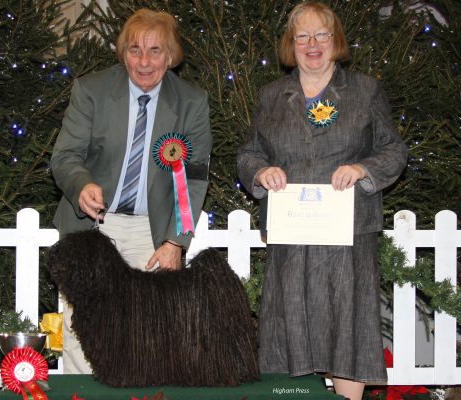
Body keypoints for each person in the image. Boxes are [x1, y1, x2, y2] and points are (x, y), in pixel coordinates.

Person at [237, 2, 407, 399]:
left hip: (348, 233)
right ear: (290, 44)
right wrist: (261, 172)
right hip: (292, 233)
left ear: (336, 41)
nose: (312, 44)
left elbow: (394, 150)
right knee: (287, 326)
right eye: (302, 36)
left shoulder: (365, 90)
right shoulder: (271, 95)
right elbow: (248, 154)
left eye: (321, 35)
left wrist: (363, 168)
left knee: (347, 328)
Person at [51, 8, 212, 374]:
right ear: (123, 53)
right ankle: (81, 396)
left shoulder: (192, 101)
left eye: (155, 51)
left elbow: (194, 179)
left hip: (150, 231)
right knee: (82, 330)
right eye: (135, 50)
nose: (144, 61)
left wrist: (175, 241)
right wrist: (81, 184)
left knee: (147, 335)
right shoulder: (90, 90)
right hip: (92, 227)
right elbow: (65, 157)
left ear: (170, 56)